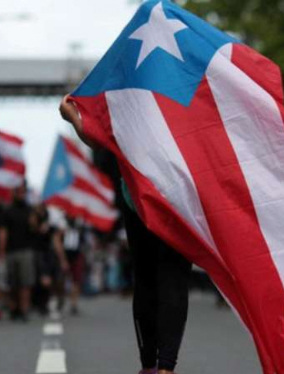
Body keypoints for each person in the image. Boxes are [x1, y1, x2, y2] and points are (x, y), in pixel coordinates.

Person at [59, 96, 192, 374]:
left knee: (147, 279)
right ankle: (165, 367)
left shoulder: (126, 94)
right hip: (179, 200)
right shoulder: (185, 81)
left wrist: (73, 118)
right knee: (172, 279)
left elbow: (101, 141)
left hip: (139, 200)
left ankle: (149, 366)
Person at [0, 184, 37, 322]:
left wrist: (34, 222)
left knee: (25, 283)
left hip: (26, 251)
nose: (21, 194)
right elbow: (3, 232)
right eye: (18, 192)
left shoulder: (30, 210)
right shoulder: (8, 211)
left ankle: (24, 310)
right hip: (11, 251)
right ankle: (14, 309)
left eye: (23, 192)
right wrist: (1, 252)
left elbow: (35, 230)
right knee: (12, 283)